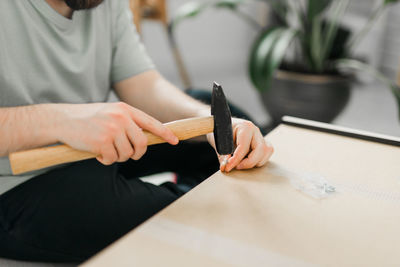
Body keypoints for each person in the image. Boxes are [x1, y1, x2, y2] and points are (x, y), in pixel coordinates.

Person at [0, 0, 273, 263]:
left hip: (89, 151)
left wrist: (206, 122)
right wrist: (60, 119)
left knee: (229, 129)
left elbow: (141, 83)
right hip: (14, 184)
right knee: (176, 219)